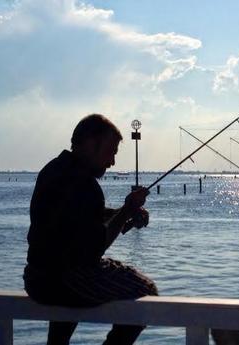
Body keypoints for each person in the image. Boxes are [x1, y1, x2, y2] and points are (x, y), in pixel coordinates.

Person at [23, 114, 158, 345]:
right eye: (110, 151)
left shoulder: (53, 170)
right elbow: (95, 249)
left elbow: (80, 218)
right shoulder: (86, 186)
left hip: (36, 279)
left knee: (77, 270)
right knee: (146, 292)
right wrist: (126, 211)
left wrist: (122, 211)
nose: (112, 161)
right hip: (64, 282)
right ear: (89, 143)